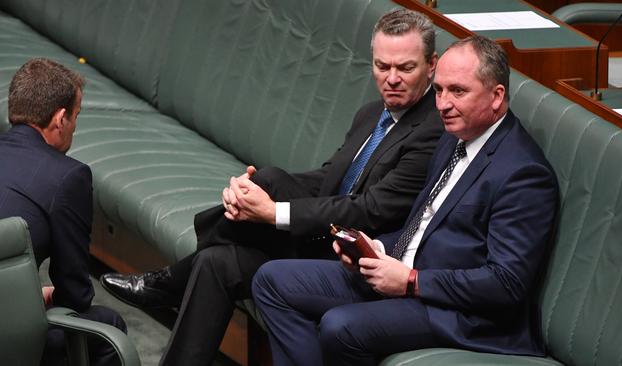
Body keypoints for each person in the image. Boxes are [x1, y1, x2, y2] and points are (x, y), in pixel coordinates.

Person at [100, 8, 444, 365]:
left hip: (352, 258)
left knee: (264, 192)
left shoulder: (433, 130)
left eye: (405, 68)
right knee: (219, 255)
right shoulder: (373, 113)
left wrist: (273, 211)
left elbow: (370, 209)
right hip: (318, 235)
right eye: (381, 66)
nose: (391, 78)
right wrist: (255, 192)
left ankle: (171, 281)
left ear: (431, 65)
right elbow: (328, 178)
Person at [252, 35, 560, 366]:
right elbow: (424, 225)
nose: (442, 104)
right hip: (401, 274)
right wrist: (377, 250)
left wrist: (412, 282)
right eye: (439, 90)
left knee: (340, 326)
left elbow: (506, 283)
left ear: (497, 96)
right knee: (271, 280)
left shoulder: (523, 173)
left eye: (457, 91)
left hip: (459, 312)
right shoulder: (452, 138)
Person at [0, 58, 127, 365]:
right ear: (60, 119)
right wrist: (41, 298)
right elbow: (75, 295)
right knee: (106, 329)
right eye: (76, 117)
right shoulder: (68, 178)